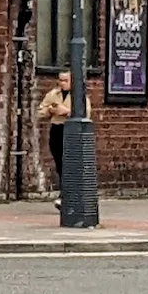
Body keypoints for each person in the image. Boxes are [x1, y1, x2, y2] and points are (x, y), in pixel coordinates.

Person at [37, 69, 92, 209]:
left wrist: (66, 112)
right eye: (60, 80)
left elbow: (86, 113)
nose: (62, 83)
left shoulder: (79, 95)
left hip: (71, 130)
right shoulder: (53, 94)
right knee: (60, 164)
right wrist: (50, 110)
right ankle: (65, 194)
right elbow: (40, 111)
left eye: (66, 80)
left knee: (70, 164)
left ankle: (68, 196)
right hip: (57, 129)